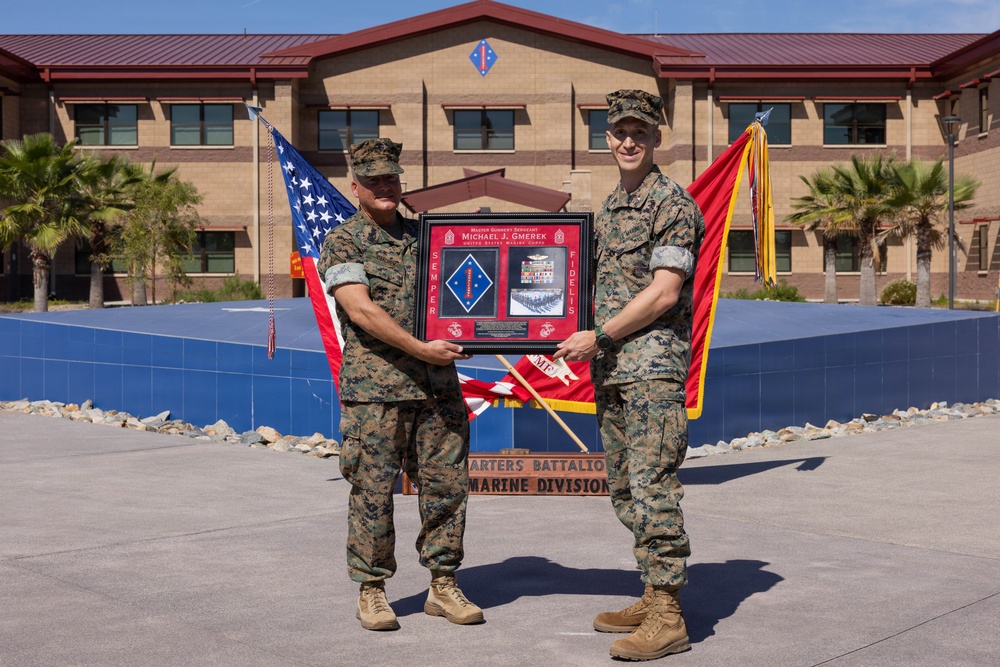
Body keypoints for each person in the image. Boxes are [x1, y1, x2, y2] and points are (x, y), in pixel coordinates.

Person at [554, 89, 705, 661]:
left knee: (652, 485)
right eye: (618, 131)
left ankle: (669, 614)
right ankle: (651, 589)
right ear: (607, 136)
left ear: (656, 137)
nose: (627, 140)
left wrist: (602, 336)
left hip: (650, 370)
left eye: (639, 131)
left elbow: (665, 292)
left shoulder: (673, 205)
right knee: (623, 488)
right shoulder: (612, 208)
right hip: (612, 370)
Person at [317, 138, 483, 631]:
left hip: (437, 390)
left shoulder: (429, 236)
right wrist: (423, 349)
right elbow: (361, 310)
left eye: (391, 178)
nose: (385, 186)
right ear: (356, 187)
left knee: (447, 489)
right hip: (377, 391)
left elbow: (469, 293)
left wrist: (479, 329)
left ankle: (443, 583)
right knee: (372, 492)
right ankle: (372, 589)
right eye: (374, 180)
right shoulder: (344, 242)